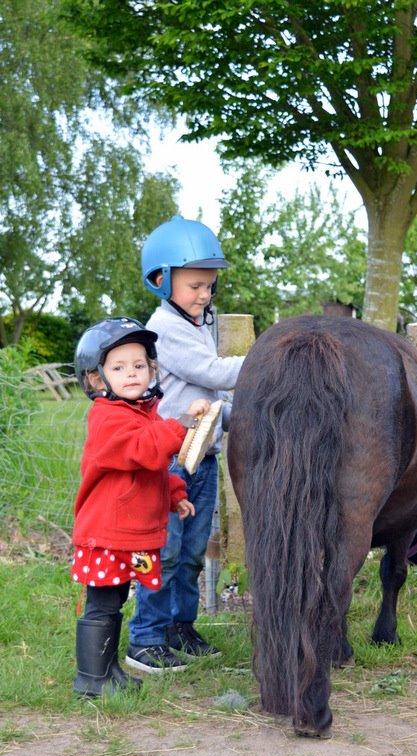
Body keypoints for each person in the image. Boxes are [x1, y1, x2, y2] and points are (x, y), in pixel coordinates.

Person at [126, 215, 245, 673]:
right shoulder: (165, 327)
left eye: (210, 286)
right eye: (195, 285)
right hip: (169, 464)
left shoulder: (196, 325)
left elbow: (211, 401)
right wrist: (270, 361)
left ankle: (180, 627)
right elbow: (214, 376)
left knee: (193, 552)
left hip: (201, 461)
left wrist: (241, 415)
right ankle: (146, 638)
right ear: (161, 279)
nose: (204, 295)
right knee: (164, 551)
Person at [71, 316, 210, 696]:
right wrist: (182, 422)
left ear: (152, 370)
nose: (131, 374)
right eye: (118, 367)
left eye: (139, 365)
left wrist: (175, 495)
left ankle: (108, 668)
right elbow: (146, 450)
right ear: (97, 379)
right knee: (102, 603)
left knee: (116, 600)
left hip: (127, 533)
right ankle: (90, 679)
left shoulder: (141, 414)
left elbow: (152, 474)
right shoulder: (108, 418)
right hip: (106, 534)